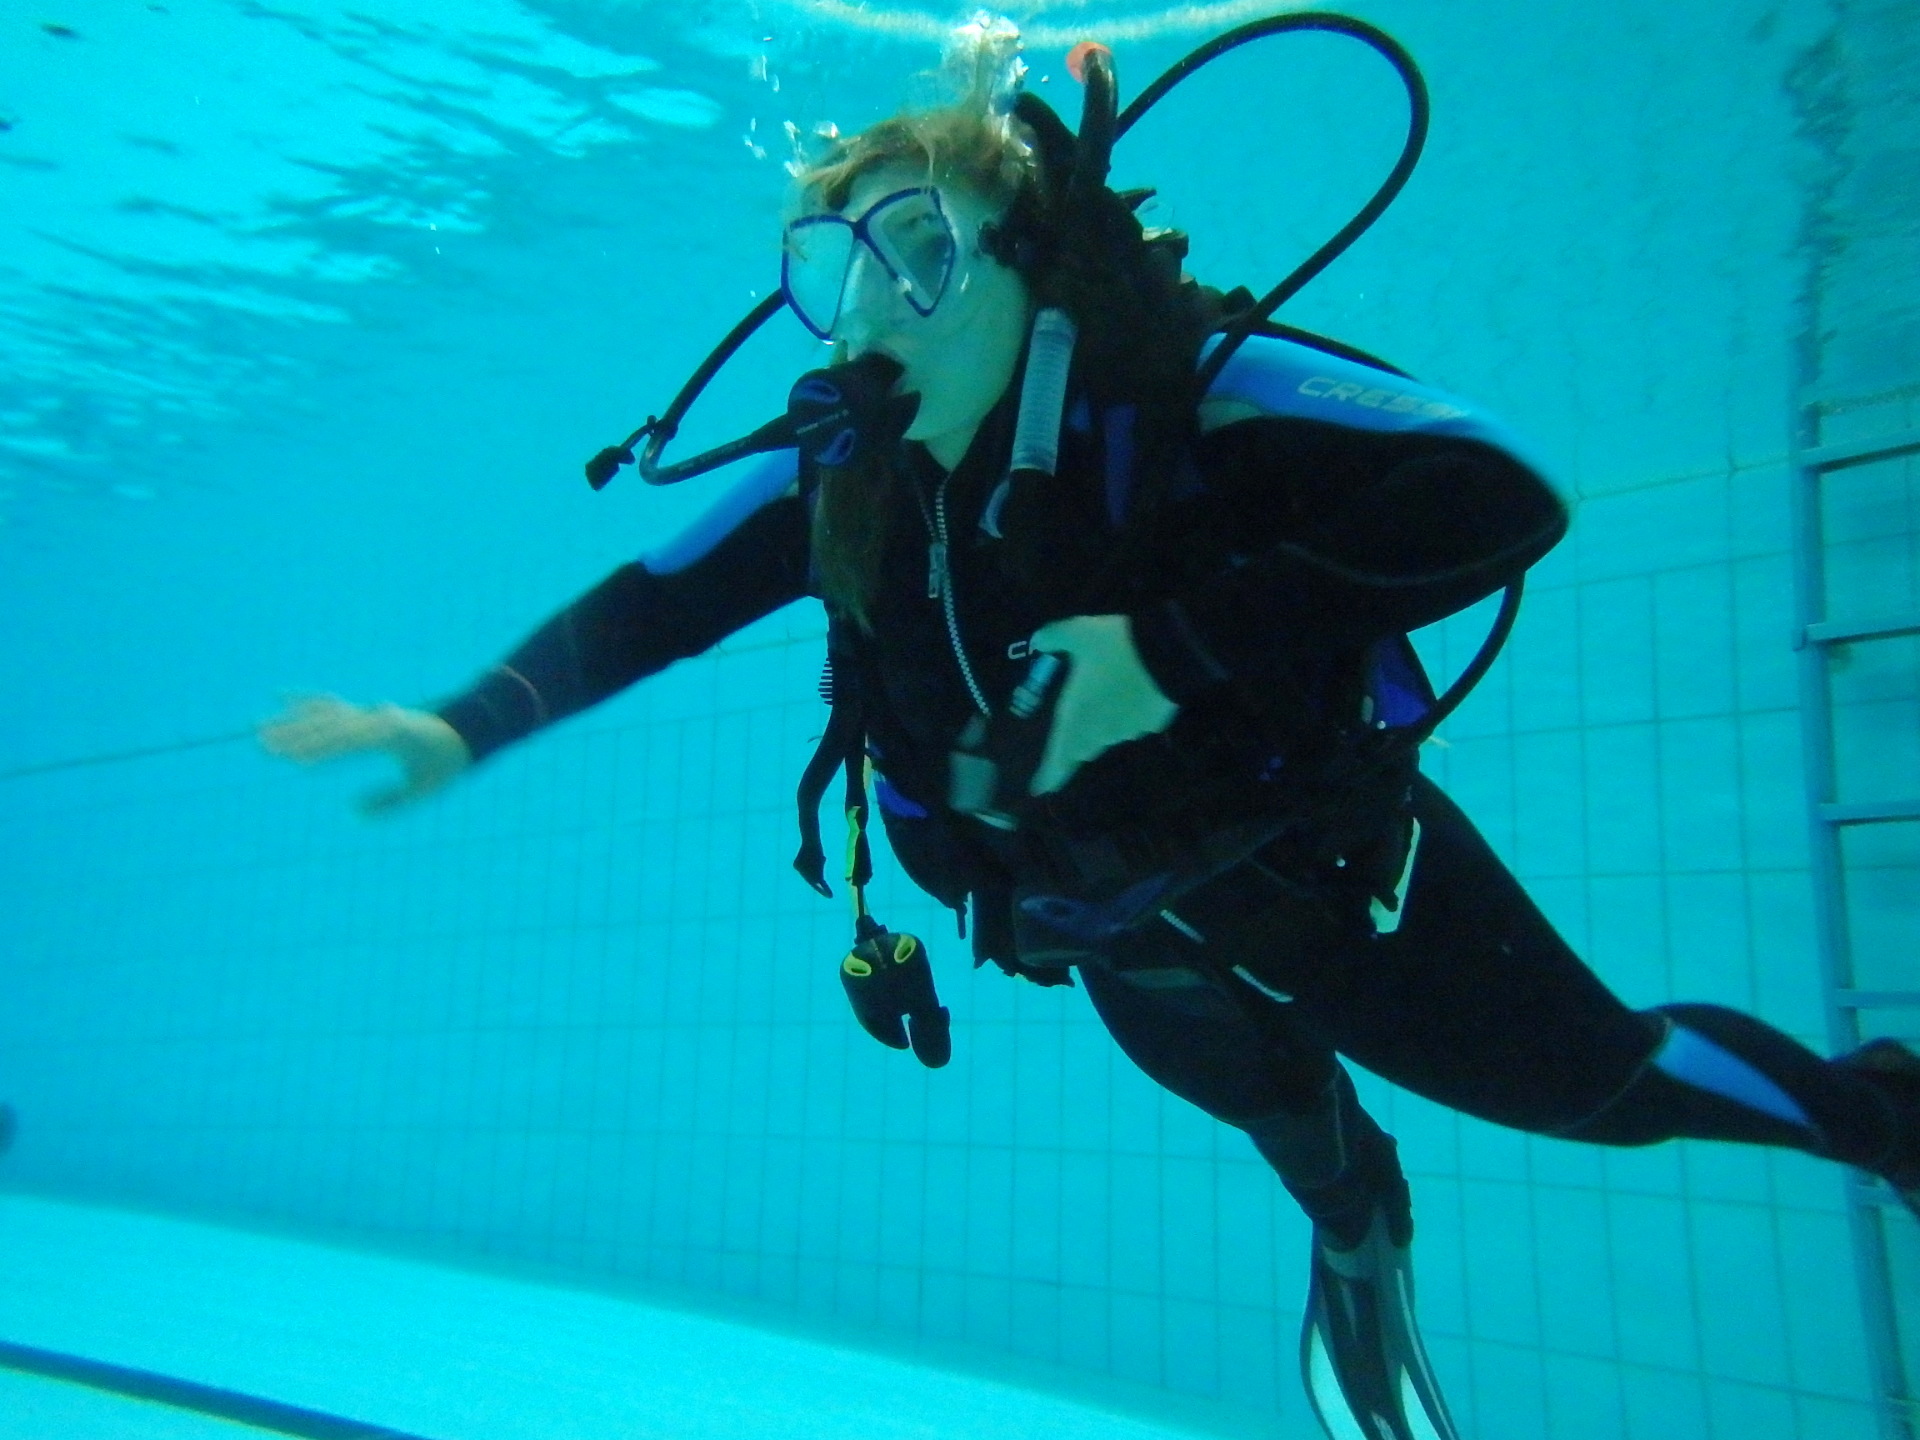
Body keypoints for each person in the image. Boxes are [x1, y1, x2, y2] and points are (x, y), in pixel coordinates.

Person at [262, 22, 1920, 1440]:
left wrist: (1171, 652)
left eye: (918, 255)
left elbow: (1505, 488)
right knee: (1291, 1130)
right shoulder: (845, 473)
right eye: (832, 270)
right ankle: (1359, 1221)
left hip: (1331, 879)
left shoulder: (1189, 388)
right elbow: (652, 600)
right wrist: (460, 726)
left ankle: (1883, 1113)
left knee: (1599, 1086)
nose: (869, 316)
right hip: (1106, 929)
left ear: (1024, 262)